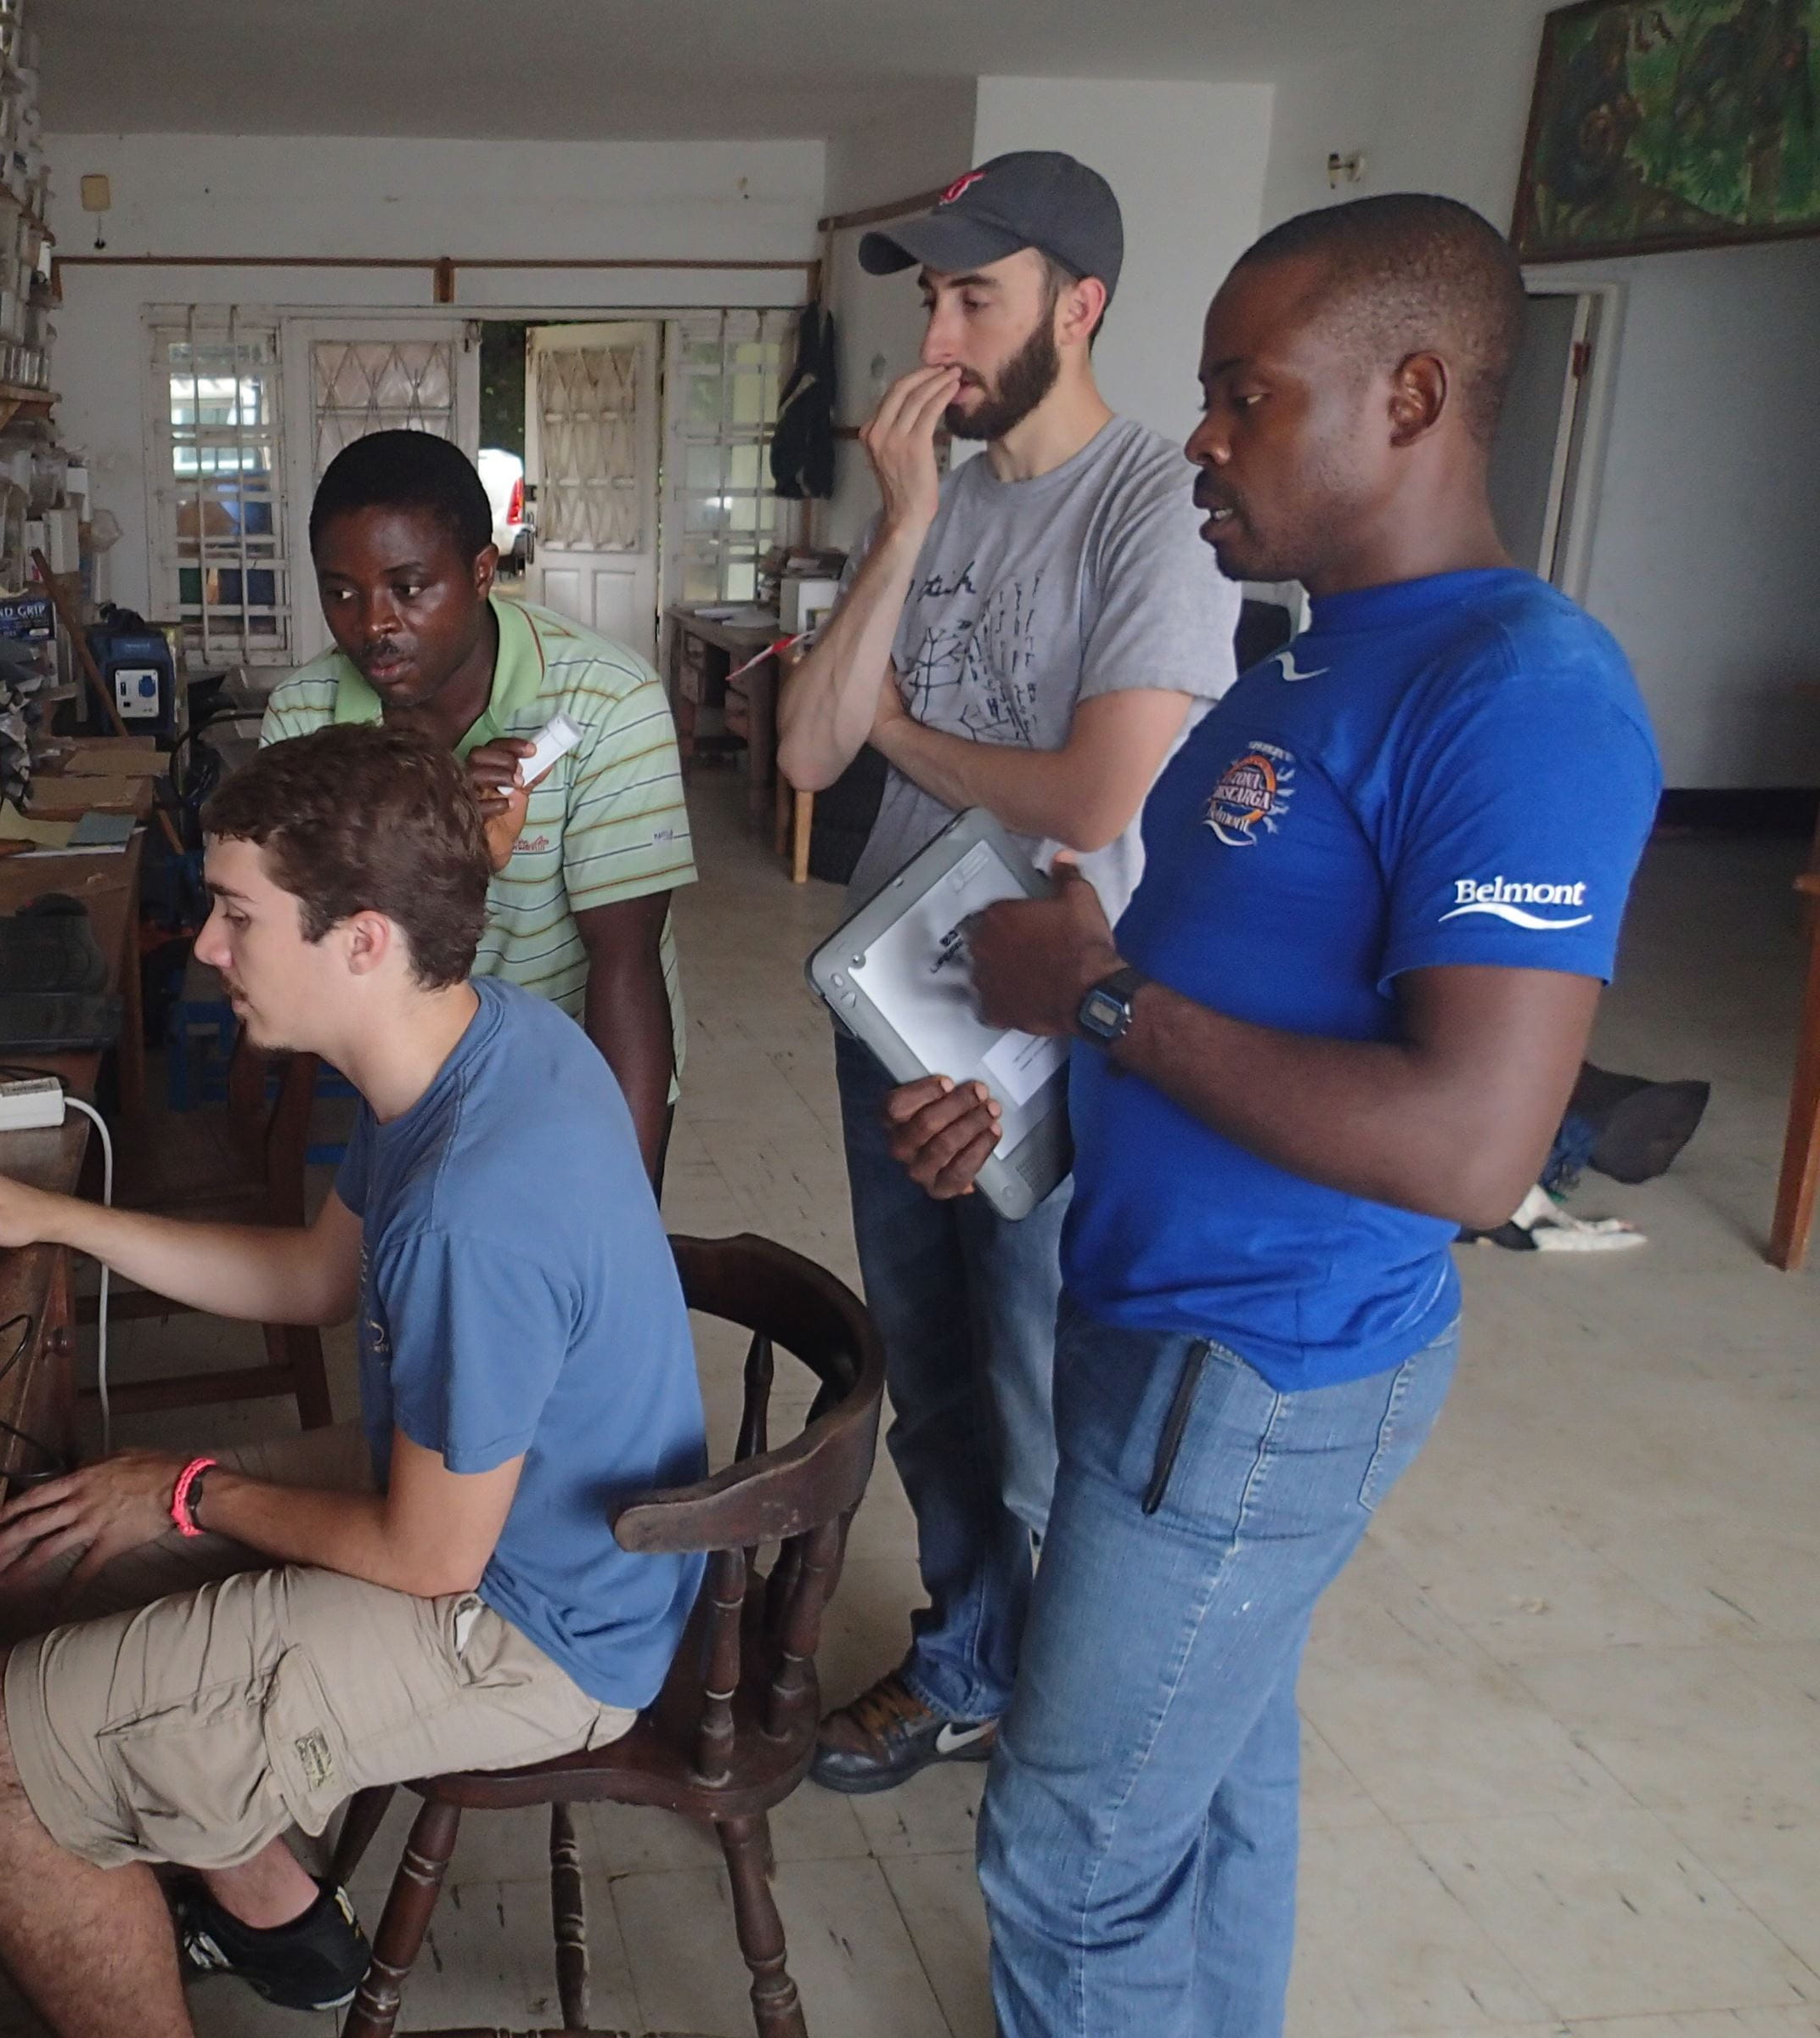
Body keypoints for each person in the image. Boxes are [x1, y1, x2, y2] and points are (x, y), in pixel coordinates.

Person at [887, 194, 1660, 2032]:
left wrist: (1094, 998)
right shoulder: (1297, 669)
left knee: (1068, 1854)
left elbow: (1473, 1149)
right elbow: (1204, 1006)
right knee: (1218, 1776)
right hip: (1146, 1310)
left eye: (1247, 395)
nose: (1203, 439)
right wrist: (1029, 1095)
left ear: (1411, 397)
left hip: (1260, 1361)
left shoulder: (1521, 693)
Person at [0, 723, 707, 2035]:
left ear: (363, 939)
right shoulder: (482, 1035)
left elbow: (429, 1558)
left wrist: (186, 1490)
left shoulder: (471, 1210)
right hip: (496, 1514)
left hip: (533, 1626)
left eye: (237, 916)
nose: (206, 948)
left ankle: (171, 1827)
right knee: (39, 1566)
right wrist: (57, 1219)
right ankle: (273, 1906)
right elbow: (317, 1277)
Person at [775, 151, 1242, 1795]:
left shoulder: (1150, 509)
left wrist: (906, 733)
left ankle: (1066, 1707)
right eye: (932, 296)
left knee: (1037, 1379)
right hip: (892, 1003)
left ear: (1079, 305)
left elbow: (1095, 797)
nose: (939, 336)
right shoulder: (941, 498)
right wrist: (904, 524)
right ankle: (971, 1656)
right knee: (930, 1369)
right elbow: (806, 748)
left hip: (1043, 1023)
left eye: (976, 296)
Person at [261, 428, 695, 1184]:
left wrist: (620, 1194)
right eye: (342, 593)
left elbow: (625, 964)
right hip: (398, 1080)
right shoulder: (305, 715)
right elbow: (302, 941)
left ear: (483, 571)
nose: (374, 625)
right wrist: (441, 822)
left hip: (576, 1076)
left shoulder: (607, 701)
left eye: (409, 588)